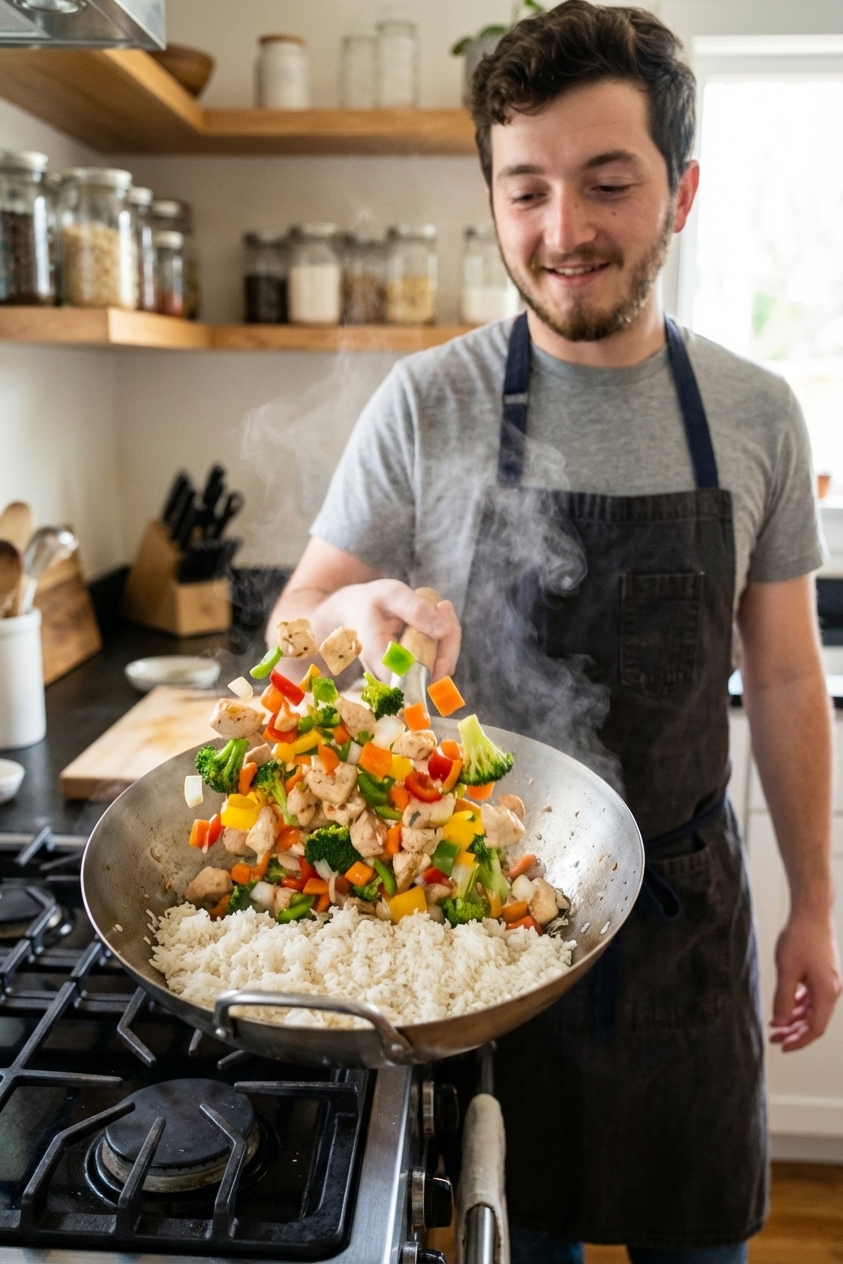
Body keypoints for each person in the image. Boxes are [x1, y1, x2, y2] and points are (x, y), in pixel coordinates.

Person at [268, 2, 842, 1259]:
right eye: (524, 188)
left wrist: (817, 901)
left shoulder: (754, 414)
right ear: (490, 194)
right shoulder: (428, 402)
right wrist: (352, 618)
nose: (563, 231)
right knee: (505, 1238)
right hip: (483, 931)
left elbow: (789, 674)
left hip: (688, 928)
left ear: (681, 192)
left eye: (607, 184)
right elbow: (295, 621)